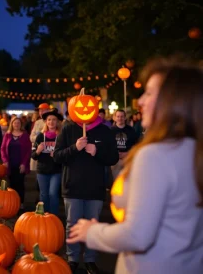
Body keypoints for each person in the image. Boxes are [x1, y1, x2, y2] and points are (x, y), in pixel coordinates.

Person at [66, 57, 203, 274]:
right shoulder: (195, 151)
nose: (140, 101)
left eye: (149, 93)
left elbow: (137, 236)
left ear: (173, 102)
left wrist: (92, 232)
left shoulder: (155, 156)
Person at [53, 110, 119, 273]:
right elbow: (57, 156)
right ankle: (72, 258)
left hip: (95, 186)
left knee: (92, 225)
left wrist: (96, 151)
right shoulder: (68, 128)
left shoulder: (104, 130)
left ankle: (90, 259)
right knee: (72, 224)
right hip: (72, 185)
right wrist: (75, 148)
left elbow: (113, 157)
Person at [31, 109, 63, 215]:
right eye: (49, 120)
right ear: (46, 122)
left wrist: (58, 154)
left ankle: (53, 217)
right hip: (42, 170)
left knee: (53, 194)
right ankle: (45, 216)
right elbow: (33, 155)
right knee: (44, 195)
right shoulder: (40, 136)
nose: (51, 122)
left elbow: (65, 154)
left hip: (56, 170)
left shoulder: (61, 137)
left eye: (54, 120)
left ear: (57, 122)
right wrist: (38, 151)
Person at [1, 117, 31, 209]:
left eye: (18, 123)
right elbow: (2, 149)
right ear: (12, 124)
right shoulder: (7, 135)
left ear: (21, 124)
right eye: (15, 123)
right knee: (11, 184)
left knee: (20, 183)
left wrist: (24, 164)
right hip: (10, 164)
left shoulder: (25, 135)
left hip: (20, 164)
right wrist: (5, 160)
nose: (16, 124)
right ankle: (12, 203)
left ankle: (21, 202)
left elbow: (28, 151)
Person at [111, 109, 138, 180]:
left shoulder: (131, 130)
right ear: (115, 118)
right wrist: (115, 153)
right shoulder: (110, 131)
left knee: (128, 180)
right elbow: (108, 146)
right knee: (117, 181)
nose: (120, 118)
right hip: (115, 160)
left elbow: (136, 145)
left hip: (128, 158)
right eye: (118, 116)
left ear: (125, 117)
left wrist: (127, 153)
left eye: (122, 116)